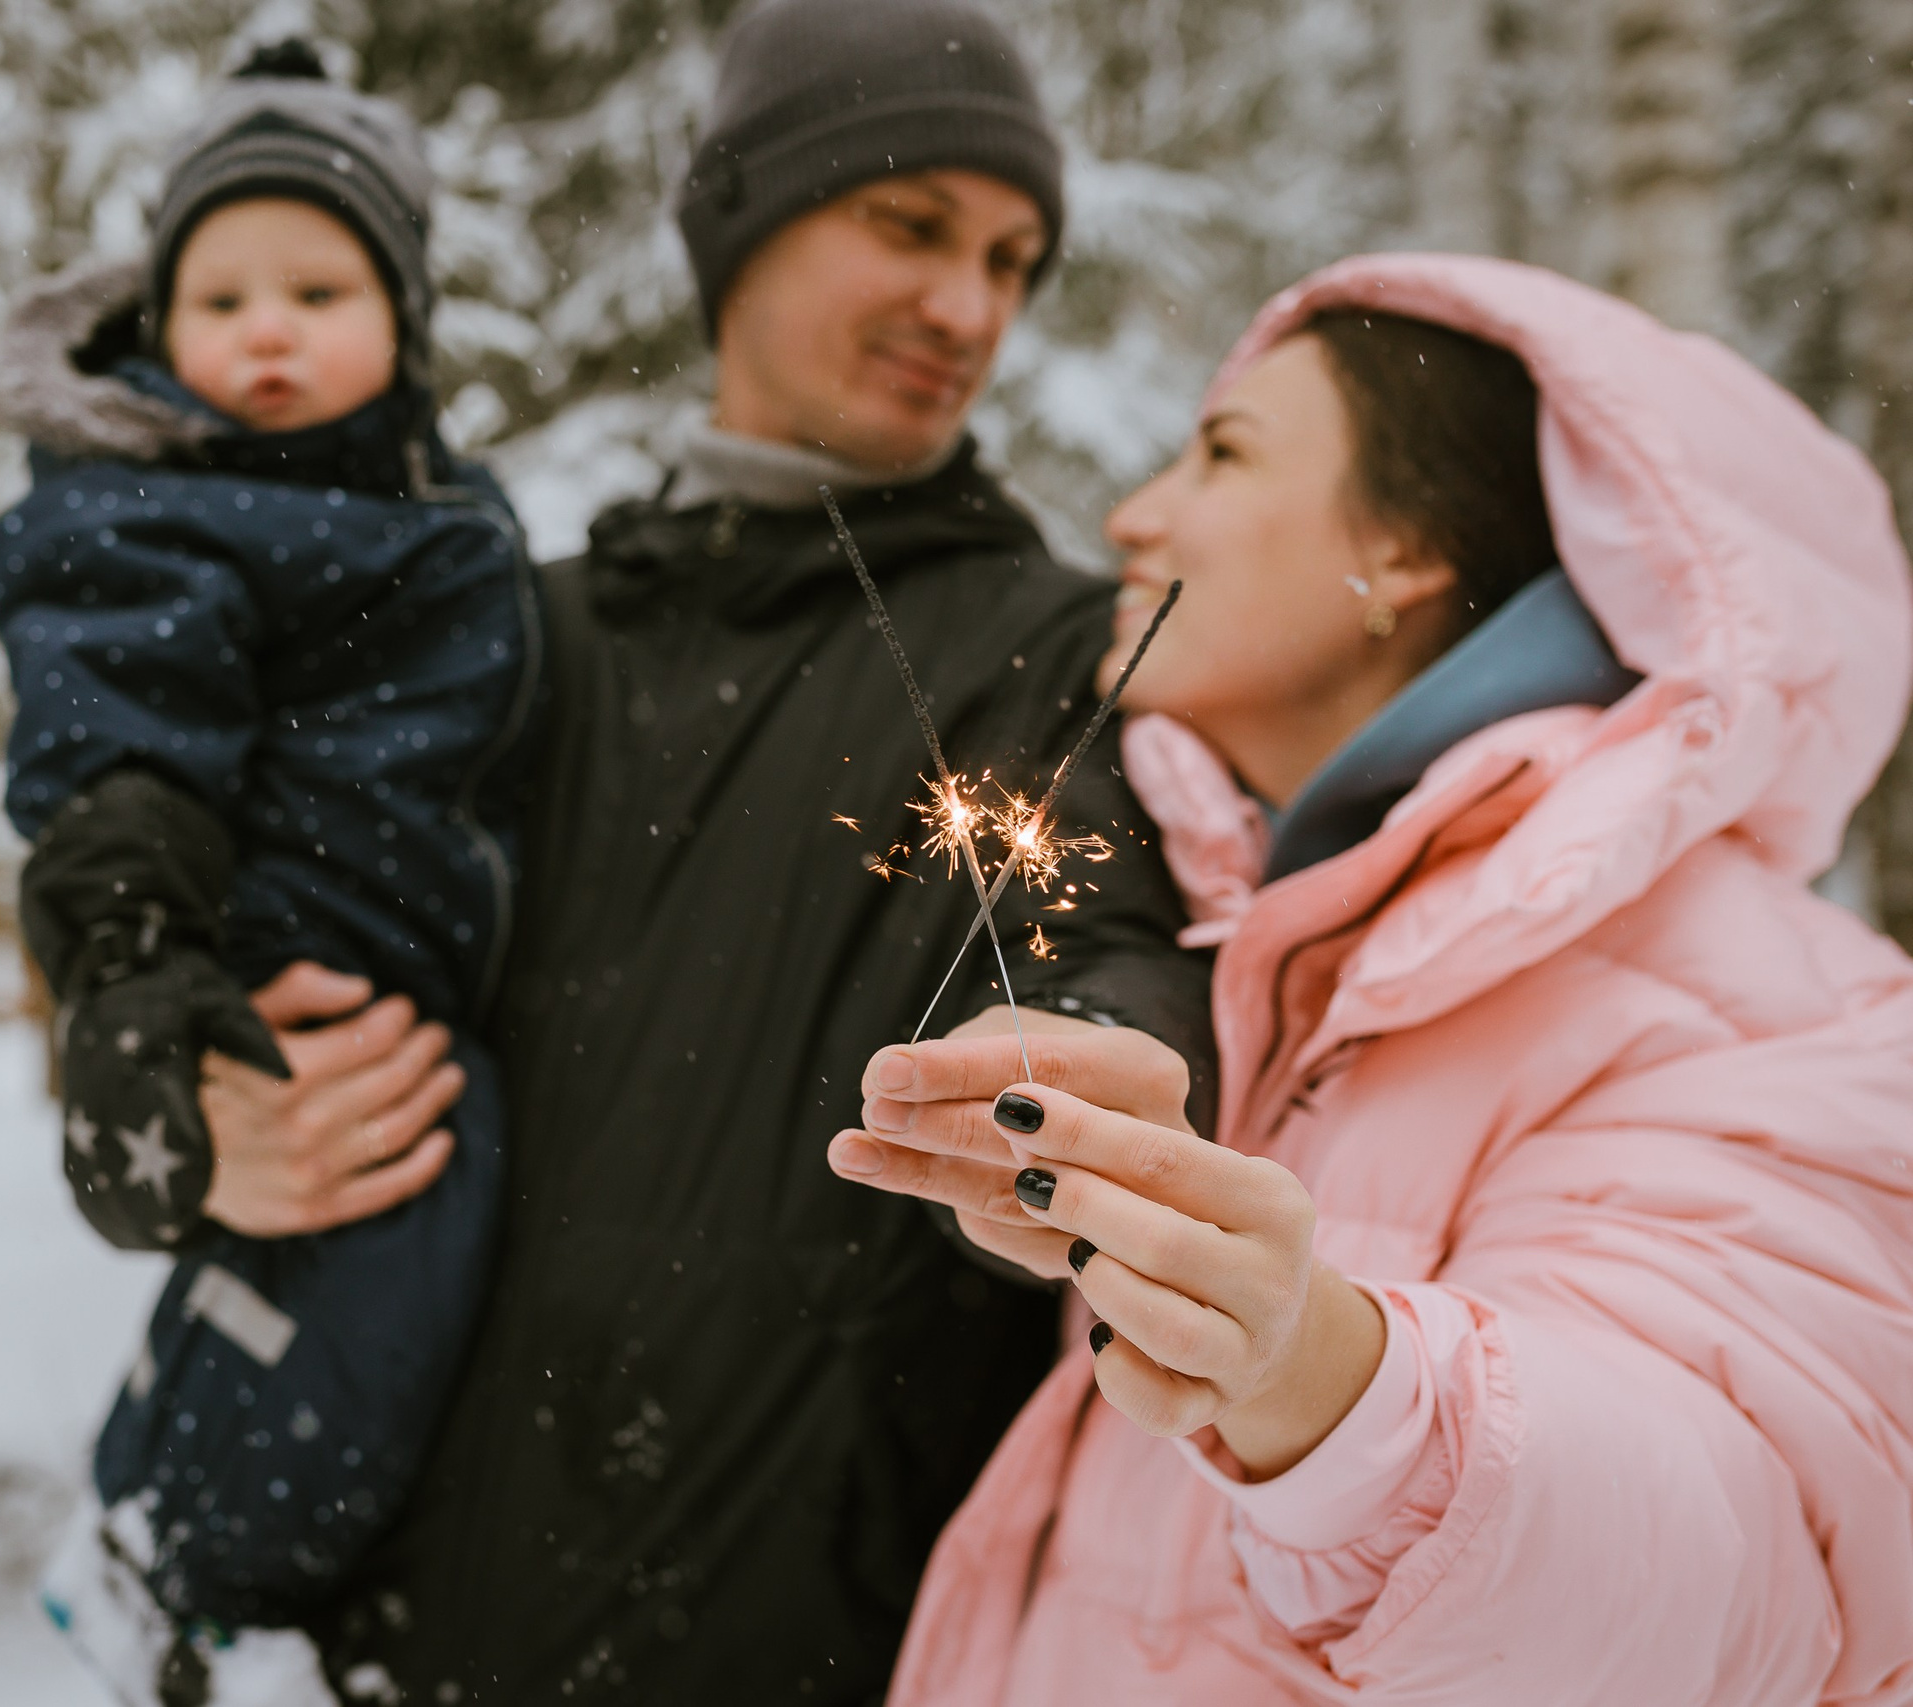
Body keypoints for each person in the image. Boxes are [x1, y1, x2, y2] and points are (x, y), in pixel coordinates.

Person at [263, 2, 1217, 1700]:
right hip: (393, 1638)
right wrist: (192, 1111)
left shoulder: (1047, 661)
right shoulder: (515, 641)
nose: (969, 307)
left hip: (785, 1647)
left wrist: (1103, 1069)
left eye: (1010, 260)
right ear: (745, 223)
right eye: (911, 226)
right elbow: (271, 959)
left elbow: (1101, 936)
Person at [835, 253, 1913, 1703]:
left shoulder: (1776, 1009)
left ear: (1404, 553)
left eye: (1222, 454)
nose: (1132, 515)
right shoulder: (1242, 930)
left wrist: (1336, 1397)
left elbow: (1744, 1568)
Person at [0, 40, 539, 1699]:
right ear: (159, 323)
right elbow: (115, 756)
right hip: (284, 972)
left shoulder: (449, 510)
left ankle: (213, 1542)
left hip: (417, 972)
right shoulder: (151, 512)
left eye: (317, 286)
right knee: (363, 1274)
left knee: (335, 1276)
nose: (268, 329)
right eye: (220, 299)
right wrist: (136, 960)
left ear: (406, 319)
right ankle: (194, 1575)